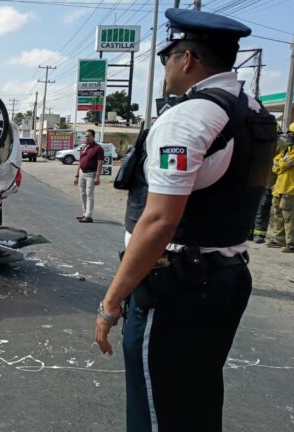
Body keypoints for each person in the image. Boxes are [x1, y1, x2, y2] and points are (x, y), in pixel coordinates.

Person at [94, 8, 276, 431]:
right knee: (197, 397)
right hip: (227, 276)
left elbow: (159, 221)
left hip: (175, 287)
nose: (164, 68)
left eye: (165, 58)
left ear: (187, 59)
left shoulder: (190, 117)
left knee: (157, 409)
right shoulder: (251, 111)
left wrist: (110, 303)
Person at [268, 123, 294, 252]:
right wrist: (280, 163)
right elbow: (276, 164)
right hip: (280, 187)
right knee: (278, 213)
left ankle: (291, 243)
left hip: (290, 188)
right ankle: (279, 239)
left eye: (291, 134)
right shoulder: (287, 150)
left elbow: (283, 164)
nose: (289, 136)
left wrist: (280, 163)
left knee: (289, 217)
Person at [73, 129, 104, 223]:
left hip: (91, 174)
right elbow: (80, 162)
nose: (86, 138)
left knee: (89, 194)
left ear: (93, 137)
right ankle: (84, 213)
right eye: (85, 136)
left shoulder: (98, 148)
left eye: (88, 136)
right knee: (82, 194)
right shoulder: (84, 148)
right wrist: (77, 175)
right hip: (82, 173)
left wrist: (97, 176)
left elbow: (100, 163)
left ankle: (89, 215)